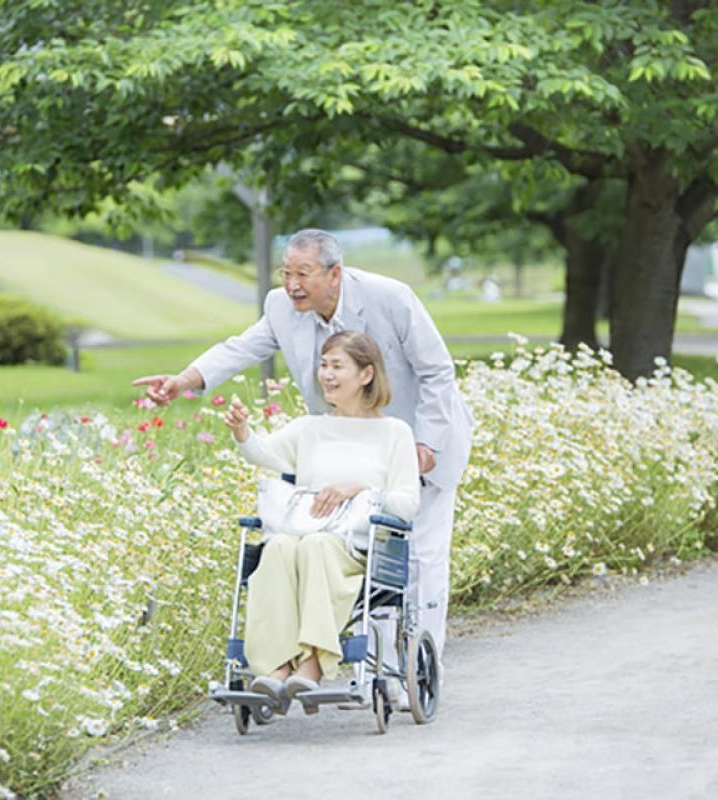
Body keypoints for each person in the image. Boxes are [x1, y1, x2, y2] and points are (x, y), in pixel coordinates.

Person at [133, 228, 473, 684]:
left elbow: (437, 371)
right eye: (286, 272)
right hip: (340, 450)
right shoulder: (281, 307)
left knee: (418, 560)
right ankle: (337, 663)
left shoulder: (390, 297)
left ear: (335, 274)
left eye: (303, 274)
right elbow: (241, 348)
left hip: (417, 441)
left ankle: (412, 671)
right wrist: (185, 380)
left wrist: (425, 445)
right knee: (334, 549)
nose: (292, 284)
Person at [223, 331, 419, 708]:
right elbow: (264, 453)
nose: (326, 374)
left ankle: (312, 664)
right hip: (302, 537)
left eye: (336, 366)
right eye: (323, 365)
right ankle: (278, 666)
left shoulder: (394, 433)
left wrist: (359, 488)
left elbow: (407, 503)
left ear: (365, 375)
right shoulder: (309, 428)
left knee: (316, 545)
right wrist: (242, 431)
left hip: (355, 546)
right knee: (277, 545)